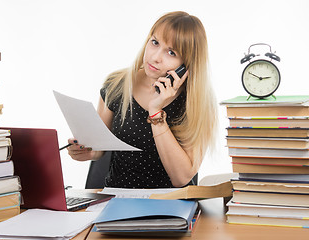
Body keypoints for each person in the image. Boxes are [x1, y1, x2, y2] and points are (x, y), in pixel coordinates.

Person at [67, 11, 218, 188]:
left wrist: (156, 112)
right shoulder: (117, 84)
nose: (156, 57)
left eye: (171, 52)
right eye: (155, 42)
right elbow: (98, 148)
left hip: (170, 206)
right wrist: (85, 151)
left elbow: (181, 178)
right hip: (117, 201)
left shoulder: (196, 104)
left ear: (187, 65)